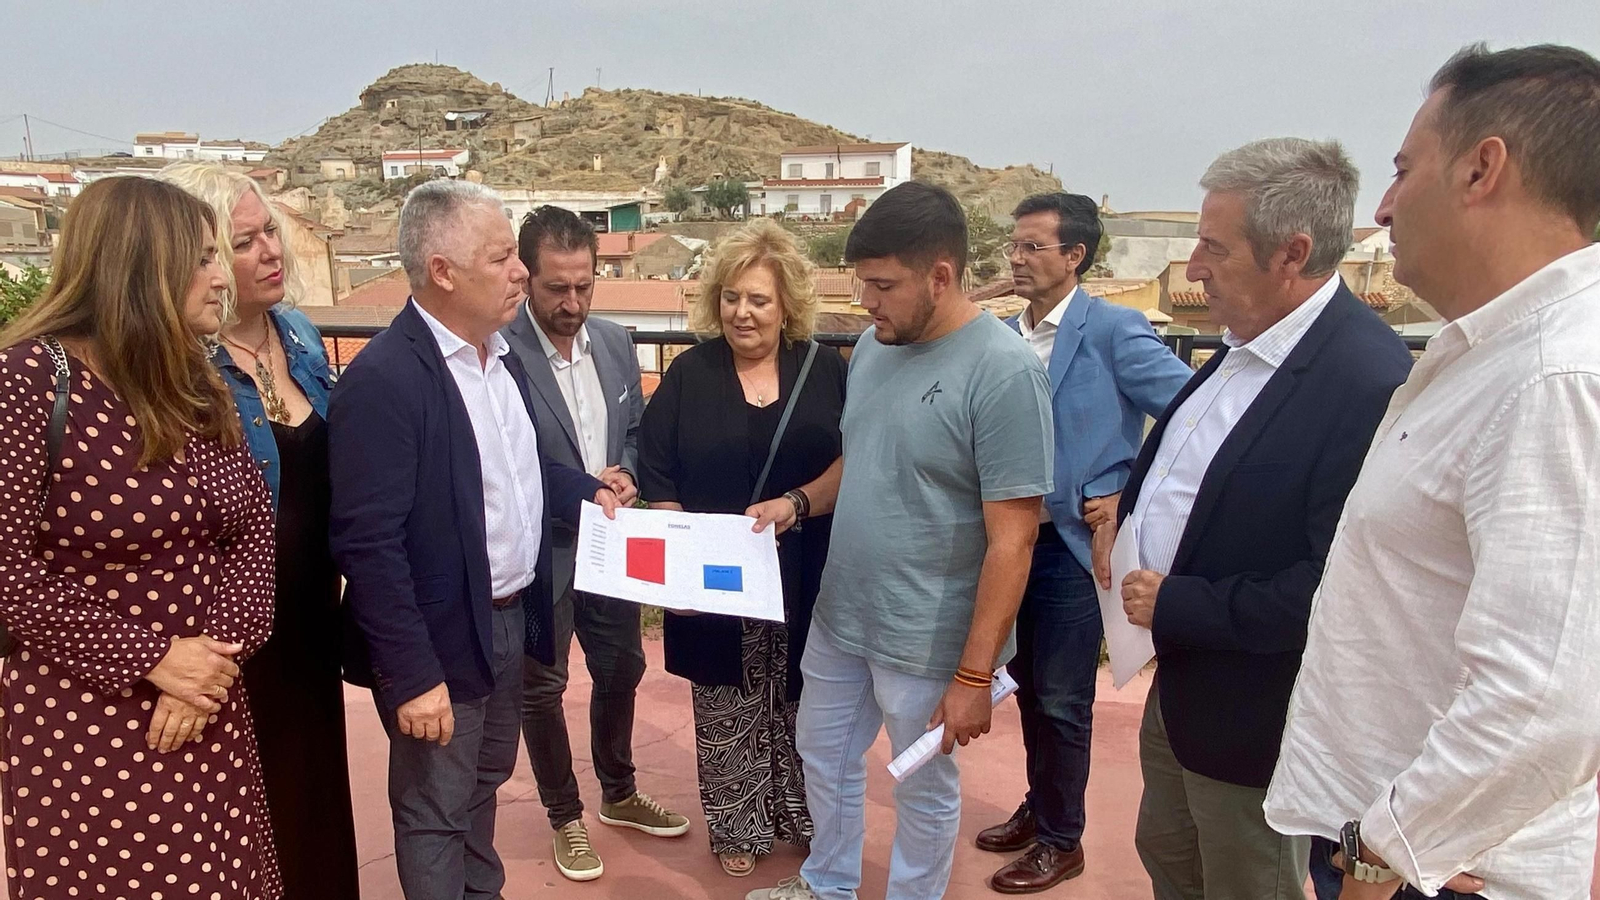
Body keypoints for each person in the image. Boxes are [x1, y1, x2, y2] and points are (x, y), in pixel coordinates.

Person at [1265, 43, 1600, 900]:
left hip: (1436, 869)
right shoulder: (1494, 354)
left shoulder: (1557, 374)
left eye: (1403, 169)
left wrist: (1383, 851)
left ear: (1482, 169)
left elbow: (1549, 699)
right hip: (1394, 843)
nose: (1381, 207)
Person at [1086, 138, 1411, 900]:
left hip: (1257, 717)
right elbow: (1197, 472)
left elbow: (1340, 589)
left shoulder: (1361, 382)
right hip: (1186, 685)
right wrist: (1126, 518)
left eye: (1213, 246)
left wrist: (1178, 603)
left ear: (1290, 254)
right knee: (1168, 852)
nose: (1194, 267)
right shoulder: (1247, 345)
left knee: (1241, 881)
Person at [746, 182, 1053, 900]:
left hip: (928, 637)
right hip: (843, 613)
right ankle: (828, 883)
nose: (868, 302)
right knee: (822, 753)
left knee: (920, 786)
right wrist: (797, 503)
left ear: (940, 276)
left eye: (883, 285)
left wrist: (974, 678)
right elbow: (865, 460)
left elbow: (1015, 540)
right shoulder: (878, 351)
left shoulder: (1004, 373)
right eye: (862, 283)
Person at [328, 180, 621, 900]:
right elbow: (368, 546)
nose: (520, 271)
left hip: (510, 622)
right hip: (442, 635)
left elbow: (520, 473)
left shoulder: (499, 358)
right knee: (434, 809)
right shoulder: (386, 380)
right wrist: (412, 675)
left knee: (482, 784)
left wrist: (589, 491)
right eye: (502, 260)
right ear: (443, 272)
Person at [0, 176, 280, 899]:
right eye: (204, 259)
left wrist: (209, 664)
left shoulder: (189, 377)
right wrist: (153, 659)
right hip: (92, 727)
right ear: (140, 265)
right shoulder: (31, 381)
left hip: (205, 710)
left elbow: (251, 531)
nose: (223, 277)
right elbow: (9, 577)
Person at [981, 192, 1193, 893]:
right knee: (1031, 687)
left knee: (1065, 699)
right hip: (1012, 543)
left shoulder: (1113, 330)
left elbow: (1194, 416)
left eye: (1032, 245)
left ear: (1074, 256)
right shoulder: (1007, 336)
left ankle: (1062, 840)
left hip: (1071, 551)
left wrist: (1126, 495)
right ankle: (1042, 806)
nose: (1016, 256)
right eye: (1013, 244)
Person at [157, 161, 358, 899]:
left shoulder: (300, 335)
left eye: (269, 230)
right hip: (230, 629)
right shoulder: (181, 367)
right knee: (247, 807)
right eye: (242, 242)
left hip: (308, 613)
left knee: (314, 792)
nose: (271, 251)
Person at [637, 218, 847, 879]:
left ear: (786, 304)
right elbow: (659, 472)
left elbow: (855, 460)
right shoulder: (690, 374)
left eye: (757, 298)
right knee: (725, 701)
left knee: (807, 698)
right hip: (716, 575)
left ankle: (805, 816)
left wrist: (798, 503)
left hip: (806, 568)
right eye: (731, 296)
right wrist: (682, 564)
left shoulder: (822, 370)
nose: (742, 312)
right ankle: (739, 821)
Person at [500, 204, 688, 883]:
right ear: (525, 279)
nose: (572, 302)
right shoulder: (500, 353)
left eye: (584, 286)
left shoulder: (614, 341)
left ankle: (618, 791)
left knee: (623, 669)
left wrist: (629, 473)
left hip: (610, 546)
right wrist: (584, 487)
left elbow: (632, 428)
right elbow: (509, 460)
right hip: (540, 550)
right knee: (542, 686)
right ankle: (565, 817)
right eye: (557, 288)